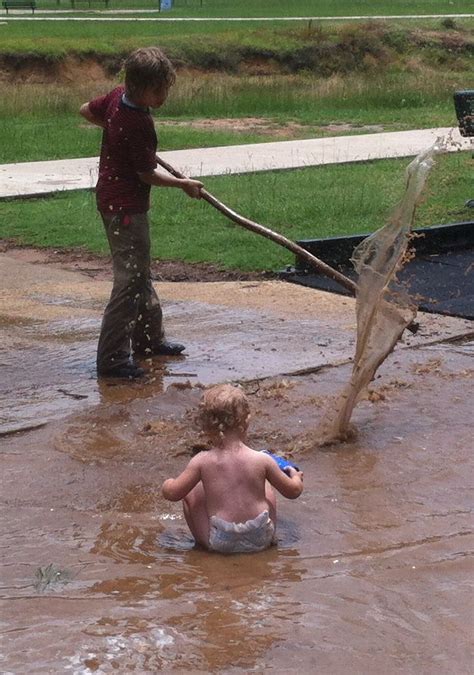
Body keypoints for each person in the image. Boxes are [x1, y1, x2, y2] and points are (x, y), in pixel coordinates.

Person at [80, 46, 203, 379]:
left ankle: (148, 341)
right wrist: (184, 184)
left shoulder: (117, 97)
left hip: (112, 199)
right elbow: (146, 174)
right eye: (160, 89)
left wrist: (110, 129)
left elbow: (85, 110)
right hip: (125, 208)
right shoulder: (138, 122)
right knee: (129, 281)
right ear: (142, 87)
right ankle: (112, 360)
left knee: (139, 273)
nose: (164, 95)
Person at [162, 384, 304, 554]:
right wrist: (295, 476)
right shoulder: (262, 459)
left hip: (222, 541)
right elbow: (293, 491)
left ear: (205, 426)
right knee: (266, 486)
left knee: (190, 493)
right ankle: (271, 539)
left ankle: (203, 544)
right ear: (246, 421)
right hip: (261, 536)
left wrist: (168, 483)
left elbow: (172, 494)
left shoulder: (201, 461)